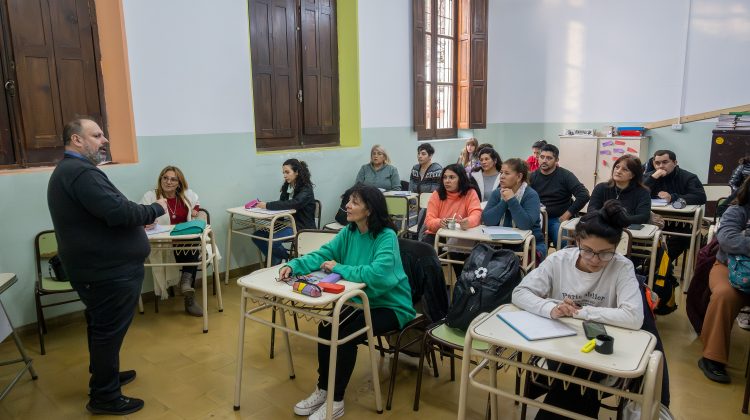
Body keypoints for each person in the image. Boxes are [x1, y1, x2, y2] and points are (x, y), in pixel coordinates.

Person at [47, 118, 168, 415]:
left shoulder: (74, 171)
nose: (104, 140)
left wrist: (134, 215)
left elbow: (107, 211)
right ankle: (104, 396)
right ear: (77, 140)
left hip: (99, 270)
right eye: (97, 135)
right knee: (106, 332)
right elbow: (116, 211)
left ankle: (105, 375)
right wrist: (154, 209)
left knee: (102, 328)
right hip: (107, 273)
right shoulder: (79, 172)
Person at [279, 184, 415, 420]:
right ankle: (323, 389)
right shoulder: (349, 232)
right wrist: (293, 265)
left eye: (354, 202)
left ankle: (336, 400)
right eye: (348, 201)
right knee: (326, 324)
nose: (347, 207)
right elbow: (322, 254)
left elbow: (377, 276)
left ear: (369, 209)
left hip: (391, 306)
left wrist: (339, 267)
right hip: (360, 302)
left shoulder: (386, 236)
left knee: (343, 330)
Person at [512, 200, 644, 419]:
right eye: (588, 251)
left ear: (615, 248)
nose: (595, 259)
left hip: (598, 348)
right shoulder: (559, 259)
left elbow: (633, 316)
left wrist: (581, 312)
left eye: (605, 253)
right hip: (559, 342)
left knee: (579, 375)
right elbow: (520, 293)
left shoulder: (621, 266)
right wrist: (551, 308)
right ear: (578, 241)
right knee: (575, 377)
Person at [698, 177, 750, 384]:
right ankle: (712, 358)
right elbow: (728, 240)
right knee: (724, 295)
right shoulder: (738, 210)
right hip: (730, 268)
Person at [140, 166, 204, 316]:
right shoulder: (150, 196)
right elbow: (140, 214)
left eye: (173, 179)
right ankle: (187, 286)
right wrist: (145, 222)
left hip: (184, 242)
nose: (168, 182)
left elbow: (197, 203)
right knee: (192, 249)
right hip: (162, 243)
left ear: (179, 182)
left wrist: (196, 210)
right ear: (160, 179)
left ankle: (187, 289)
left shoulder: (185, 195)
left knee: (193, 241)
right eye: (165, 178)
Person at [644, 150, 707, 259]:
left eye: (665, 162)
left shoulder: (688, 177)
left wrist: (673, 197)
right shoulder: (649, 177)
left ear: (675, 162)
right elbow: (636, 194)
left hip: (680, 221)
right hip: (653, 219)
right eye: (657, 163)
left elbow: (700, 197)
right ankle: (647, 265)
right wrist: (652, 178)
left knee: (684, 237)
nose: (661, 166)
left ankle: (660, 266)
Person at [253, 159, 316, 265]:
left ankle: (285, 259)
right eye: (283, 172)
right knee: (257, 236)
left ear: (296, 172)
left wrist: (267, 205)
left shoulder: (306, 189)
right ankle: (282, 258)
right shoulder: (288, 186)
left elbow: (293, 203)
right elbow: (282, 203)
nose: (284, 175)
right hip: (284, 224)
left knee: (273, 242)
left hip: (300, 226)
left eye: (287, 172)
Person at [483, 158, 547, 259]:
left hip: (527, 246)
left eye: (507, 173)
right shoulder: (497, 193)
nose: (502, 177)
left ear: (519, 176)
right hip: (498, 244)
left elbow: (525, 224)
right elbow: (487, 220)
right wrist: (504, 201)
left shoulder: (531, 195)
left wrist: (511, 200)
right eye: (501, 172)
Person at [529, 144, 590, 248]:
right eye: (542, 157)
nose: (544, 160)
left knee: (562, 241)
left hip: (557, 219)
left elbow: (583, 195)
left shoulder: (565, 175)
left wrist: (566, 216)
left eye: (549, 158)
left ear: (556, 160)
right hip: (536, 219)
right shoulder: (532, 176)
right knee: (532, 244)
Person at [422, 164, 483, 245]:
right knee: (426, 248)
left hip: (461, 235)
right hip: (437, 234)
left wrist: (468, 222)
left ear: (461, 179)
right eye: (445, 177)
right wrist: (439, 223)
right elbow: (429, 220)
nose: (447, 181)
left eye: (451, 177)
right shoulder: (437, 194)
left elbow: (476, 214)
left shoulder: (470, 192)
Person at [588, 155, 651, 224]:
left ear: (633, 175)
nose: (618, 171)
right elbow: (591, 210)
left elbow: (643, 217)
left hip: (629, 230)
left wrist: (619, 220)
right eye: (617, 167)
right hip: (603, 228)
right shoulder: (601, 187)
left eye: (625, 169)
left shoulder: (642, 192)